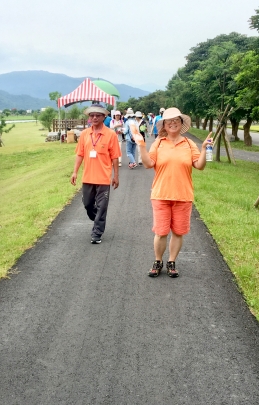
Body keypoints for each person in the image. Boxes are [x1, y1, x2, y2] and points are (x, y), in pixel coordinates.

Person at [130, 107, 212, 278]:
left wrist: (204, 149)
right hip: (161, 195)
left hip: (183, 195)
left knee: (178, 231)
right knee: (161, 232)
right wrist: (142, 146)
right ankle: (158, 261)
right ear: (164, 126)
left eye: (176, 120)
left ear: (181, 123)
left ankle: (172, 261)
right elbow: (147, 164)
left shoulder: (189, 144)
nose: (173, 123)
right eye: (169, 121)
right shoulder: (159, 143)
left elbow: (200, 166)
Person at [70, 104, 120, 244]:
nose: (95, 117)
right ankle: (97, 218)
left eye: (98, 115)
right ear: (89, 118)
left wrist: (116, 176)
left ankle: (97, 233)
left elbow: (115, 157)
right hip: (88, 177)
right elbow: (80, 154)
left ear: (104, 117)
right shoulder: (85, 134)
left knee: (102, 206)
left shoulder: (110, 135)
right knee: (87, 204)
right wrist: (74, 172)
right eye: (92, 115)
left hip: (103, 178)